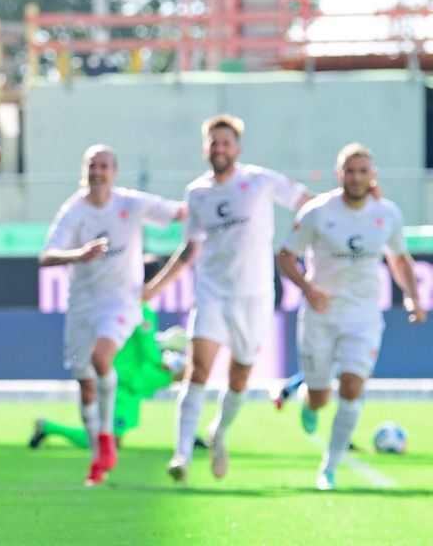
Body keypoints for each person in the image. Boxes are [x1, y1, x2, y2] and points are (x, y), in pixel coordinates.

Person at [143, 113, 311, 483]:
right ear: (206, 148)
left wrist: (339, 215)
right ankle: (182, 454)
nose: (219, 149)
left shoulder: (259, 181)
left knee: (239, 377)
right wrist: (155, 287)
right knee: (197, 370)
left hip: (254, 295)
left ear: (237, 148)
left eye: (226, 143)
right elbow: (190, 250)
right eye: (213, 143)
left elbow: (308, 203)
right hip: (212, 292)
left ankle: (218, 433)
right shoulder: (197, 192)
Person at [276, 143, 426, 490]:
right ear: (338, 173)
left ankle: (329, 467)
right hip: (320, 316)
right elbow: (286, 255)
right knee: (319, 395)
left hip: (363, 316)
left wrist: (413, 299)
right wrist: (307, 287)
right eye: (350, 171)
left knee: (352, 385)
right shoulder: (316, 212)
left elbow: (399, 259)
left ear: (372, 175)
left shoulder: (387, 213)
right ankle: (309, 402)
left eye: (363, 171)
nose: (356, 177)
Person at [39, 145, 185, 485]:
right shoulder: (74, 210)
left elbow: (180, 212)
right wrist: (79, 254)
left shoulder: (130, 204)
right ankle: (96, 458)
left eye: (104, 165)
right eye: (92, 165)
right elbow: (46, 256)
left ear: (114, 172)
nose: (98, 171)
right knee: (85, 385)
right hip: (82, 305)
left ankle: (105, 437)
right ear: (85, 170)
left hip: (121, 304)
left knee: (101, 358)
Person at [28, 303, 199, 450]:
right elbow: (147, 349)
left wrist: (162, 343)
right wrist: (165, 362)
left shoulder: (124, 306)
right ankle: (48, 427)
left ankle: (189, 434)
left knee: (189, 372)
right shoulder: (141, 309)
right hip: (128, 377)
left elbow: (136, 340)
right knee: (108, 440)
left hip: (128, 374)